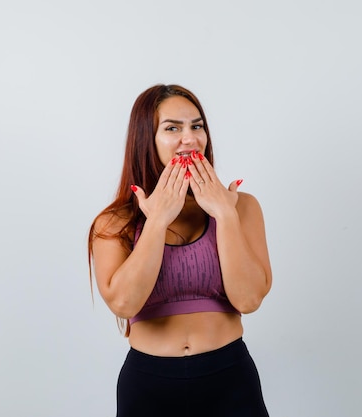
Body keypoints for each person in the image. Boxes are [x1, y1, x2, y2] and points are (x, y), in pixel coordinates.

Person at [88, 84, 272, 417]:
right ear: (147, 139)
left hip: (229, 377)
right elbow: (124, 303)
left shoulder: (242, 207)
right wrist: (157, 220)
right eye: (172, 128)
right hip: (149, 384)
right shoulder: (114, 221)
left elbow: (249, 300)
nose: (189, 138)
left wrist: (225, 215)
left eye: (196, 126)